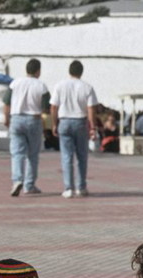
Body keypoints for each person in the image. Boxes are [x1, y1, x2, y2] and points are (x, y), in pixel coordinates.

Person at [50, 60, 98, 199]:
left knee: (67, 156)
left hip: (64, 121)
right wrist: (92, 127)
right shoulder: (87, 87)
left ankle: (68, 188)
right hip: (80, 121)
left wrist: (54, 123)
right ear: (81, 72)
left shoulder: (60, 86)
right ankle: (81, 187)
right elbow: (91, 108)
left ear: (69, 71)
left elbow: (53, 107)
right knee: (82, 156)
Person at [4, 59, 49, 197]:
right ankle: (29, 185)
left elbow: (6, 102)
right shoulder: (41, 86)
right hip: (33, 119)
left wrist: (6, 118)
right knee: (32, 155)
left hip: (16, 118)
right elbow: (46, 106)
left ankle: (17, 180)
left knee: (17, 153)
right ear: (38, 71)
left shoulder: (15, 83)